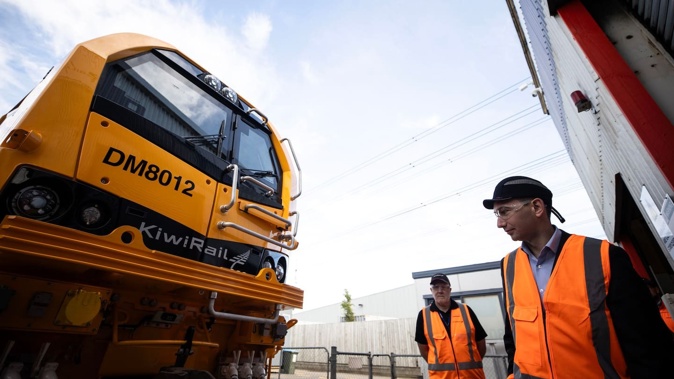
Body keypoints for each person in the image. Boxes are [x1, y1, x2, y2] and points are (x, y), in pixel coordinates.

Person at [483, 175, 674, 379]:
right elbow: (513, 337)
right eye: (497, 214)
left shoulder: (603, 256)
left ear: (537, 207)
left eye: (504, 212)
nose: (499, 223)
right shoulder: (508, 266)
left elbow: (647, 345)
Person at [415, 273, 487, 379]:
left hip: (472, 376)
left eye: (443, 287)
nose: (440, 290)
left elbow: (481, 343)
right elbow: (423, 349)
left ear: (450, 289)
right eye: (435, 287)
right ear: (431, 291)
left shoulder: (466, 310)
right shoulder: (423, 315)